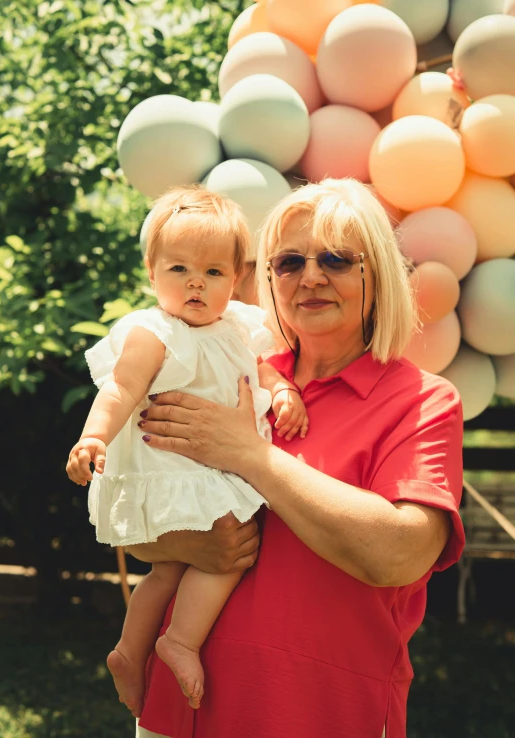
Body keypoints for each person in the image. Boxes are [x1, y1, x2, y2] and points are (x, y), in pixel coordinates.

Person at [131, 177, 465, 738]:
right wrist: (189, 543)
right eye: (288, 262)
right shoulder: (225, 370)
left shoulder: (422, 400)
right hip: (179, 709)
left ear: (377, 272)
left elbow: (401, 554)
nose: (310, 277)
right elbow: (133, 524)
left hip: (318, 713)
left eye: (335, 258)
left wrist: (249, 455)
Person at [66, 185, 308, 716]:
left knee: (168, 572)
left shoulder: (239, 326)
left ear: (236, 279)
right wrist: (93, 437)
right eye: (179, 269)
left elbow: (262, 369)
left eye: (214, 272)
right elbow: (120, 390)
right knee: (231, 548)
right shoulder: (152, 333)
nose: (196, 282)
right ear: (152, 273)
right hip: (178, 472)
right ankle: (180, 641)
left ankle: (129, 651)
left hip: (213, 467)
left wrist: (284, 390)